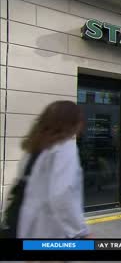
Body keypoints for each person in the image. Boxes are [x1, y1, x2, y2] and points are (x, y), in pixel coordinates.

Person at [17, 101, 91, 238]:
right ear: (72, 123)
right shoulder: (65, 148)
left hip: (27, 228)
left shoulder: (34, 148)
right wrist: (81, 231)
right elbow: (62, 195)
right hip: (50, 232)